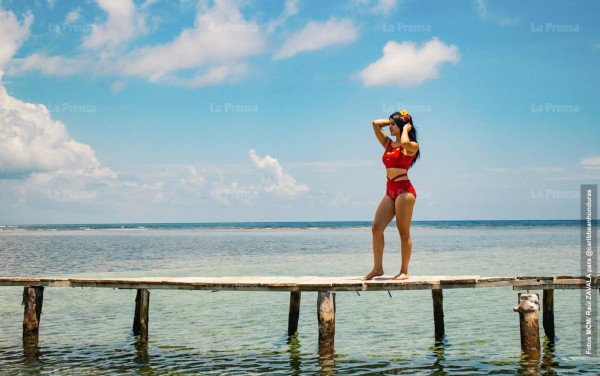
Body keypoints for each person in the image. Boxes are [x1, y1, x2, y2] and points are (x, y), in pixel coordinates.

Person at [362, 109, 420, 281]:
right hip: (390, 190)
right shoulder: (388, 144)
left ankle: (404, 271)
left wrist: (404, 129)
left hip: (405, 191)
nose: (389, 128)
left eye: (394, 125)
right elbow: (374, 124)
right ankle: (377, 269)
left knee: (403, 232)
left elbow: (404, 142)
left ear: (403, 127)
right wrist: (392, 120)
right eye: (390, 125)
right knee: (376, 228)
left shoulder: (412, 146)